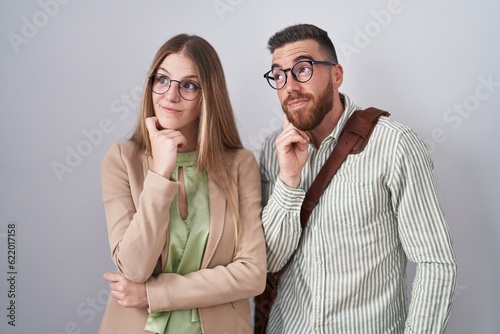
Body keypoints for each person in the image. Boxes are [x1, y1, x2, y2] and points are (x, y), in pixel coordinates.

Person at [259, 23, 457, 333]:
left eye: (303, 69)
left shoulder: (395, 145)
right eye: (279, 75)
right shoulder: (273, 152)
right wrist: (288, 179)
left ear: (336, 74)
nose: (290, 86)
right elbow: (269, 262)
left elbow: (436, 263)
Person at [99, 33, 266, 334]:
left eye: (188, 85)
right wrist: (161, 173)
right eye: (162, 80)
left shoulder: (240, 166)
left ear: (208, 96)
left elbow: (252, 274)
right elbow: (134, 268)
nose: (170, 95)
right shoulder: (122, 160)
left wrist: (153, 294)